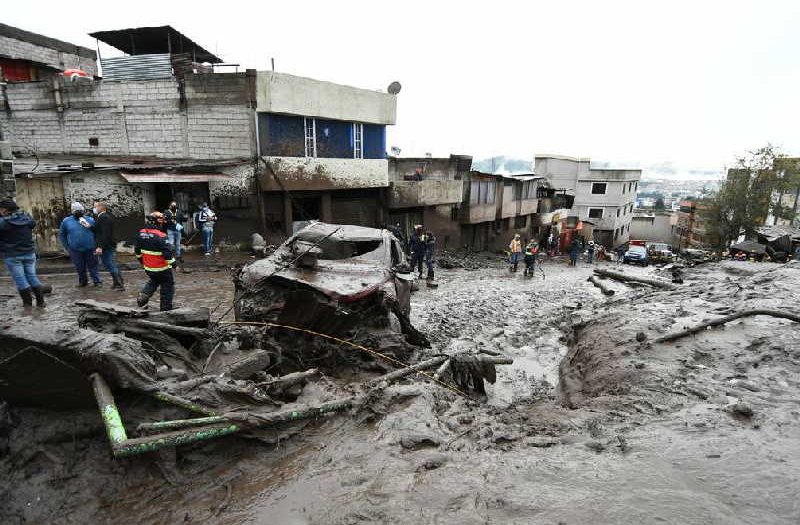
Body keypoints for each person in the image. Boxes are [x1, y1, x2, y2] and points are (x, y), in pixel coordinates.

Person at [0, 199, 45, 307]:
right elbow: (32, 223)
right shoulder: (27, 217)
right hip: (29, 253)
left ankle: (28, 305)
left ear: (4, 210)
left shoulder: (3, 222)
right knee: (32, 276)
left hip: (12, 255)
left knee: (20, 279)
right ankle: (41, 302)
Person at [135, 212, 175, 311]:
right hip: (162, 268)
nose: (163, 222)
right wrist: (174, 264)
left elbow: (137, 251)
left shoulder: (141, 233)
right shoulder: (161, 235)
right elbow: (167, 254)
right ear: (156, 221)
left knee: (154, 281)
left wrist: (143, 262)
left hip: (149, 267)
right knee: (167, 286)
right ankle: (166, 308)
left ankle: (144, 295)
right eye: (161, 219)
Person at [60, 201, 101, 287]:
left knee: (93, 266)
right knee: (79, 267)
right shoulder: (66, 221)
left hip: (90, 248)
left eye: (80, 210)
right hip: (75, 250)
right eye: (76, 211)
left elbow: (97, 232)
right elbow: (62, 235)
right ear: (72, 212)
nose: (79, 213)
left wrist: (97, 245)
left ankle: (97, 281)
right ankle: (83, 282)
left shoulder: (90, 219)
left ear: (83, 210)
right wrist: (67, 247)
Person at [92, 201, 124, 290]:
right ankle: (116, 283)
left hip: (107, 245)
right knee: (109, 264)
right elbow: (98, 230)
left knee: (110, 264)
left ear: (102, 207)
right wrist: (89, 226)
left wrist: (100, 246)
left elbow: (105, 234)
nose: (95, 208)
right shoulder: (102, 216)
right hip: (107, 244)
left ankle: (119, 284)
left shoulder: (104, 217)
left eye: (96, 206)